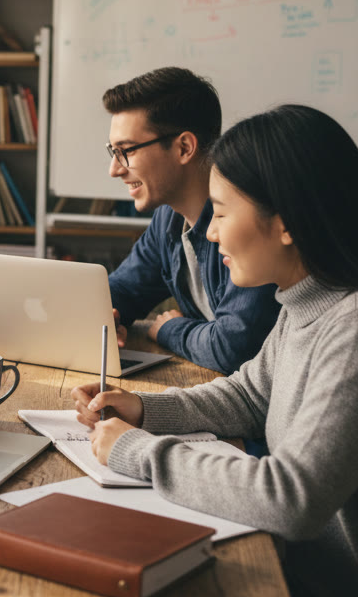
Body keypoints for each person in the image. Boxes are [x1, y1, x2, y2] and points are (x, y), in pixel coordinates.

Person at [73, 105, 358, 597]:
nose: (210, 233)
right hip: (315, 578)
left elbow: (292, 499)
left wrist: (135, 451)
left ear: (285, 223)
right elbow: (250, 394)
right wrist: (142, 408)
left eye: (221, 213)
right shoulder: (306, 301)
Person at [103, 67, 279, 374]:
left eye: (126, 151)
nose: (115, 169)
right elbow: (121, 292)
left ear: (184, 147)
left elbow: (233, 347)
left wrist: (171, 329)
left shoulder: (248, 222)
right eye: (113, 152)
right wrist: (102, 320)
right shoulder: (168, 219)